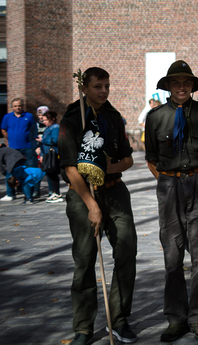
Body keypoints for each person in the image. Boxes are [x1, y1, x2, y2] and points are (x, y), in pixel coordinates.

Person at [58, 67, 138, 345]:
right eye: (97, 87)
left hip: (115, 193)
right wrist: (91, 205)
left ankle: (118, 319)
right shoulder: (72, 119)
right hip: (83, 197)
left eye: (106, 85)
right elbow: (70, 168)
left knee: (127, 253)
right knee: (85, 260)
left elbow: (128, 160)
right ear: (84, 89)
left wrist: (105, 167)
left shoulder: (114, 117)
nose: (103, 91)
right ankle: (83, 327)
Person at [145, 60, 198, 342]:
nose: (181, 87)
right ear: (168, 87)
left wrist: (196, 176)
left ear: (192, 85)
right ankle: (175, 319)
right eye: (176, 82)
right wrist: (169, 179)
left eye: (186, 82)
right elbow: (151, 158)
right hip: (168, 185)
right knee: (172, 256)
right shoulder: (155, 117)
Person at [1, 98, 38, 200]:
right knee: (10, 171)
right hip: (13, 150)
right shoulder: (7, 117)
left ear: (23, 106)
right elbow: (3, 130)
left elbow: (33, 130)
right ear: (12, 107)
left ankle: (33, 192)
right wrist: (11, 139)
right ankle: (10, 193)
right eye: (16, 106)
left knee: (30, 170)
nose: (18, 107)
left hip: (27, 147)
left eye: (20, 106)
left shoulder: (29, 116)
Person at [38, 111, 63, 203]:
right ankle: (55, 192)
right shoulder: (48, 128)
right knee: (50, 173)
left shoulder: (55, 128)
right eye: (43, 120)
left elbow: (55, 140)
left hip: (53, 154)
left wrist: (42, 139)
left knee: (53, 172)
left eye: (45, 120)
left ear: (52, 119)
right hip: (47, 154)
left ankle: (57, 193)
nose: (44, 122)